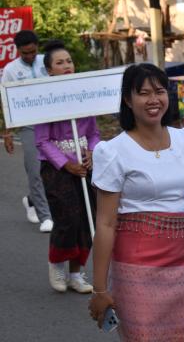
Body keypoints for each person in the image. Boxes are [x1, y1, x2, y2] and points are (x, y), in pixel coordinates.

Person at [88, 63, 184, 341]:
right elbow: (105, 224)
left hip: (183, 263)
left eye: (159, 91)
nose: (153, 100)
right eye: (143, 93)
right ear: (128, 100)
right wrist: (100, 289)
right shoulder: (113, 151)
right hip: (134, 269)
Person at [34, 40, 99, 293]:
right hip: (56, 169)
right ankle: (57, 265)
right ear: (49, 70)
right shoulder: (43, 100)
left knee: (87, 219)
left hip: (85, 167)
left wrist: (92, 152)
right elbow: (42, 141)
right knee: (67, 218)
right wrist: (66, 164)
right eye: (59, 63)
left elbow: (93, 132)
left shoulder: (84, 94)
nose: (66, 66)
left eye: (69, 61)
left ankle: (76, 273)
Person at [1, 30, 53, 232]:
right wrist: (7, 133)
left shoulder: (46, 61)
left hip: (53, 122)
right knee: (35, 170)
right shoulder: (10, 70)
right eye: (25, 53)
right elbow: (7, 102)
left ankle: (31, 200)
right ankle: (46, 216)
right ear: (18, 50)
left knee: (54, 169)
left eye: (33, 52)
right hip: (28, 124)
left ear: (37, 47)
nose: (30, 56)